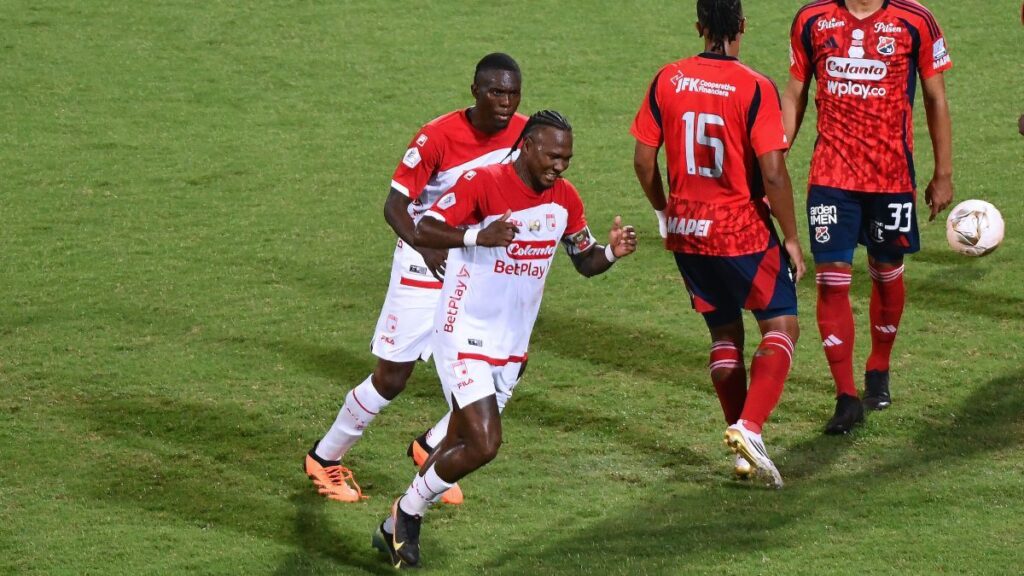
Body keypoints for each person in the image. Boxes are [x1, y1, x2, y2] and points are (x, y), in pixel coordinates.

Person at [371, 110, 637, 569]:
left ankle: (396, 520)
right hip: (463, 332)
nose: (560, 166)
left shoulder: (565, 198)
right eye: (553, 156)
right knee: (484, 443)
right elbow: (423, 227)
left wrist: (612, 251)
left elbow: (584, 259)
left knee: (460, 440)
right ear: (528, 146)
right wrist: (478, 235)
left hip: (512, 345)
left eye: (567, 159)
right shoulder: (482, 183)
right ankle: (408, 514)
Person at [303, 53, 528, 503]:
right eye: (496, 92)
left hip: (474, 264)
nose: (505, 102)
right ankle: (325, 458)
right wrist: (425, 248)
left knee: (504, 366)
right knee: (392, 378)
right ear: (476, 91)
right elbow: (394, 206)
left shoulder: (524, 133)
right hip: (424, 259)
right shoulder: (437, 137)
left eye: (513, 93)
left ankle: (432, 446)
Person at [631, 0, 806, 488]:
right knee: (782, 326)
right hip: (741, 230)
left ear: (699, 27)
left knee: (725, 336)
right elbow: (773, 172)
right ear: (742, 26)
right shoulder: (755, 86)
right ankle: (750, 428)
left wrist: (664, 212)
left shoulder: (668, 78)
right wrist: (792, 238)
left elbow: (643, 161)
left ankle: (743, 452)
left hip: (687, 231)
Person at [783, 0, 954, 434]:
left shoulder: (915, 20)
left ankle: (878, 368)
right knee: (830, 280)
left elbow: (935, 97)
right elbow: (795, 92)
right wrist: (775, 158)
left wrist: (943, 173)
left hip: (891, 177)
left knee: (887, 273)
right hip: (831, 176)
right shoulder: (812, 19)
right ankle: (846, 397)